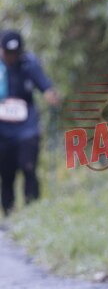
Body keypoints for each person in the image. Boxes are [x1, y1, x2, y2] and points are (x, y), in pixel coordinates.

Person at [0, 31, 60, 215]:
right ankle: (9, 214)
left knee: (29, 167)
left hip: (27, 128)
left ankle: (31, 211)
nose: (11, 57)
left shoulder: (29, 64)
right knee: (6, 174)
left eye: (15, 53)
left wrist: (51, 96)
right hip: (3, 132)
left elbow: (45, 86)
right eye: (8, 53)